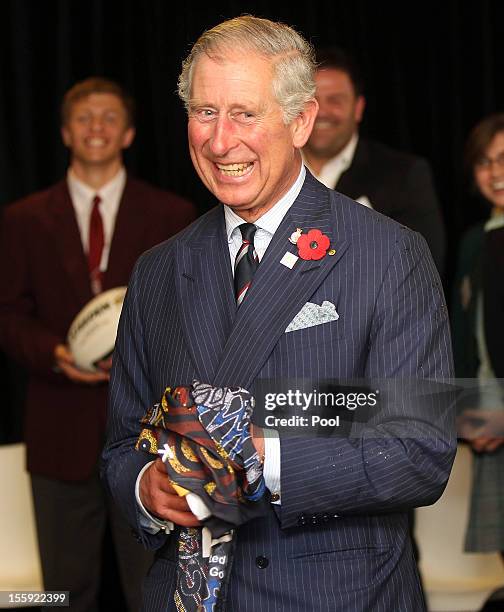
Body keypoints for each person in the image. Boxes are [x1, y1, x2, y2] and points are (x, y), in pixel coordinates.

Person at [102, 16, 455, 611]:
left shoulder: (388, 253)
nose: (219, 142)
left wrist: (267, 460)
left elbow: (422, 451)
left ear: (301, 122)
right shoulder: (159, 270)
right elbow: (120, 445)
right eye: (205, 112)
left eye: (244, 113)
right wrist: (145, 487)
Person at [0, 77, 196, 611]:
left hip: (148, 437)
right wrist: (54, 354)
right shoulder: (22, 219)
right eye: (84, 117)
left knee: (153, 588)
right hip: (58, 431)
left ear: (129, 133)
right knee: (62, 593)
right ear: (65, 131)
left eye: (109, 117)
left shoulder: (171, 216)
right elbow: (8, 313)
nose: (96, 127)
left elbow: (185, 315)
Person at [302, 47, 446, 274]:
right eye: (312, 101)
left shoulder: (404, 174)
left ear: (358, 108)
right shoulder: (274, 172)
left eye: (335, 100)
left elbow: (421, 267)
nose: (322, 112)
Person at [452, 113, 504, 555]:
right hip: (490, 418)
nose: (495, 173)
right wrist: (468, 408)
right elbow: (465, 336)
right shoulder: (474, 241)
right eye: (485, 162)